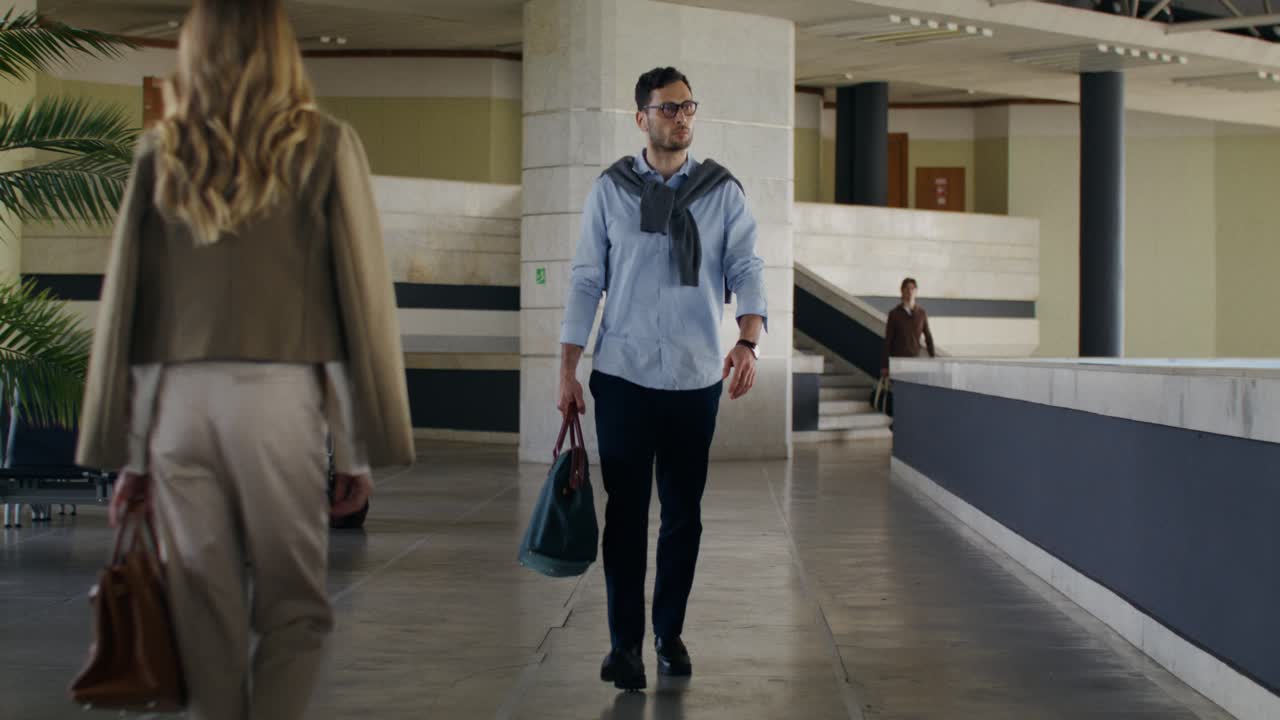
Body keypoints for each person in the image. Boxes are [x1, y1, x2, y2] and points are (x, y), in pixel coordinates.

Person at [75, 2, 414, 718]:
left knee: (203, 613)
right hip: (277, 401)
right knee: (295, 608)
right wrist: (353, 452)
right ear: (281, 49)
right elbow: (355, 303)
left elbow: (131, 316)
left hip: (175, 409)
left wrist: (131, 456)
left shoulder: (158, 154)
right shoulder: (325, 145)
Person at [557, 66, 768, 691]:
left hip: (695, 376)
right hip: (621, 375)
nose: (681, 116)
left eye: (688, 106)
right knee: (625, 513)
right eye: (669, 107)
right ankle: (624, 646)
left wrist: (749, 340)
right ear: (641, 117)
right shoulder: (611, 190)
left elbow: (746, 264)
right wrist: (567, 369)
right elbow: (584, 280)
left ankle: (667, 631)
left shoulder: (721, 191)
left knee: (682, 514)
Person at [881, 276, 936, 380]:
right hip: (898, 361)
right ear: (902, 291)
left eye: (912, 289)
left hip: (914, 360)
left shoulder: (921, 313)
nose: (910, 292)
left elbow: (928, 337)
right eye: (907, 289)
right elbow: (888, 340)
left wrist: (933, 358)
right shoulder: (894, 314)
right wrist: (885, 365)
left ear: (916, 291)